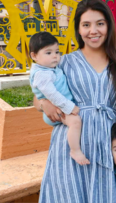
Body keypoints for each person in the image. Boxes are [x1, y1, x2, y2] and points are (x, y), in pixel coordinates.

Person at [33, 0, 116, 203]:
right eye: (86, 25)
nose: (93, 31)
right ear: (78, 28)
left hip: (107, 142)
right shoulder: (64, 62)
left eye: (100, 23)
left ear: (109, 26)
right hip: (70, 144)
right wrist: (44, 103)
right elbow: (38, 97)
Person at [29, 32, 90, 165]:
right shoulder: (42, 73)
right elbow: (52, 94)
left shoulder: (50, 68)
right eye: (48, 53)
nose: (55, 56)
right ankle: (75, 150)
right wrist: (69, 107)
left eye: (57, 52)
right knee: (75, 122)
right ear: (34, 56)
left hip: (61, 107)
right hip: (58, 110)